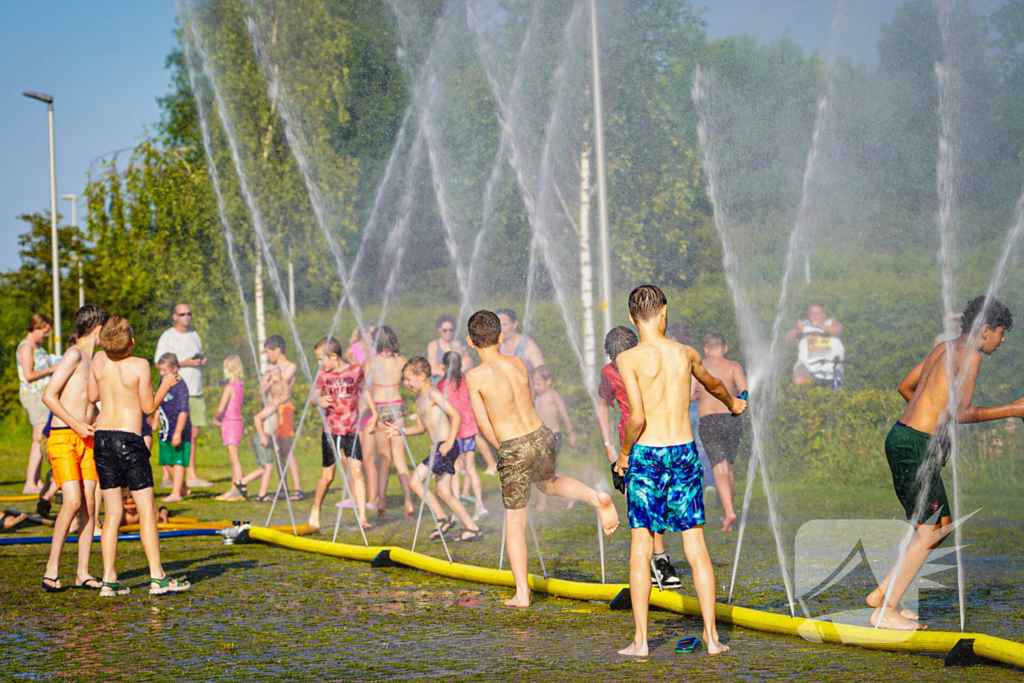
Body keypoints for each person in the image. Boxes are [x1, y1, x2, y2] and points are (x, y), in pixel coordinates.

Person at [866, 296, 1022, 630]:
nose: (1003, 339)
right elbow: (962, 412)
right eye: (1001, 332)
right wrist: (1012, 409)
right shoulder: (971, 356)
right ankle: (885, 611)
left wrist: (931, 425)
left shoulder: (945, 347)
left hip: (903, 436)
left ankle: (882, 596)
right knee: (933, 530)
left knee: (933, 527)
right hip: (915, 445)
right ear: (985, 330)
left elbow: (905, 386)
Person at [614, 285, 745, 656]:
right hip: (684, 453)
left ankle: (641, 642)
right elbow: (713, 384)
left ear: (631, 318)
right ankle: (713, 638)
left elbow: (637, 417)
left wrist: (624, 455)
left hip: (648, 454)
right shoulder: (685, 353)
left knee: (641, 547)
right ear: (664, 312)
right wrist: (732, 402)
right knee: (696, 548)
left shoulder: (629, 359)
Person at [465, 310, 619, 608]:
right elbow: (529, 400)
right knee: (549, 483)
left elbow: (483, 423)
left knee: (515, 522)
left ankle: (522, 593)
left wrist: (503, 449)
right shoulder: (519, 362)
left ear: (470, 341)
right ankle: (594, 495)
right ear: (500, 337)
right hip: (541, 433)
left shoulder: (475, 376)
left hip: (513, 444)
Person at [89, 316, 190, 596]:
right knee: (147, 509)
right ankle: (157, 577)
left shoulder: (98, 359)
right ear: (131, 341)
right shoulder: (140, 365)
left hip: (103, 439)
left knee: (111, 513)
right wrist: (166, 385)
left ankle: (109, 580)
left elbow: (91, 395)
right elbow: (148, 407)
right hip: (129, 440)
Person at [598, 326, 683, 590]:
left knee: (662, 503)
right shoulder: (609, 373)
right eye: (614, 358)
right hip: (631, 446)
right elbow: (602, 403)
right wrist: (609, 446)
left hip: (660, 441)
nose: (619, 363)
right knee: (645, 505)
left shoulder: (649, 363)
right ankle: (659, 561)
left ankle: (656, 560)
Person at [40, 305, 108, 591]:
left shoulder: (98, 359)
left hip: (89, 439)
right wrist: (76, 425)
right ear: (97, 327)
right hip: (64, 436)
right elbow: (49, 396)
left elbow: (97, 401)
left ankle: (83, 571)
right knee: (73, 501)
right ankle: (51, 567)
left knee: (91, 506)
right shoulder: (74, 354)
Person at [384, 357, 483, 542]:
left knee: (415, 481)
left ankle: (442, 518)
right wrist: (401, 430)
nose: (406, 383)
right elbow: (421, 427)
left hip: (445, 446)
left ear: (422, 376)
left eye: (408, 379)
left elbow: (456, 415)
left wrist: (449, 442)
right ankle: (472, 528)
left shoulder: (432, 393)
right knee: (444, 492)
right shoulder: (419, 397)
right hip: (439, 447)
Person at [309, 337, 377, 531]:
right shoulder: (323, 375)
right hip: (331, 431)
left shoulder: (356, 371)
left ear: (333, 356)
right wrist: (319, 400)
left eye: (320, 359)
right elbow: (314, 397)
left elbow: (365, 390)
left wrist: (375, 412)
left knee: (357, 472)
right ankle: (316, 508)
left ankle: (362, 517)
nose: (319, 363)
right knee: (328, 477)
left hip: (352, 430)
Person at [691, 332, 747, 532]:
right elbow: (744, 392)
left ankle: (729, 511)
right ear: (725, 348)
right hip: (731, 420)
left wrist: (702, 394)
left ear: (704, 350)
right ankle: (726, 513)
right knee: (729, 466)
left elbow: (690, 395)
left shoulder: (699, 366)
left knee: (719, 468)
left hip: (709, 420)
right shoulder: (734, 366)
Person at [154, 302, 211, 488]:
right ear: (175, 316)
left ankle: (191, 476)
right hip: (175, 392)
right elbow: (158, 363)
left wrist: (201, 361)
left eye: (189, 313)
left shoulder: (194, 334)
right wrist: (184, 363)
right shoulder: (168, 336)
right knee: (169, 432)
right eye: (183, 314)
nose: (187, 317)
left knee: (192, 434)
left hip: (196, 389)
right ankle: (167, 477)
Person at [364, 326, 415, 519]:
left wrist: (372, 412)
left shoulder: (372, 361)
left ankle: (381, 503)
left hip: (379, 407)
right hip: (397, 407)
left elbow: (366, 389)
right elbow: (409, 384)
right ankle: (408, 502)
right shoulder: (401, 360)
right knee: (400, 460)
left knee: (384, 460)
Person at [438, 351, 488, 522]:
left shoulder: (443, 385)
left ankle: (457, 508)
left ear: (444, 367)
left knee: (456, 470)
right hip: (470, 429)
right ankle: (480, 505)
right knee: (471, 468)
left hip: (455, 431)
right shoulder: (467, 382)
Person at [17, 313, 58, 493]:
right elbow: (28, 374)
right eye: (45, 331)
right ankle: (30, 483)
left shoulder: (38, 346)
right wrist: (52, 369)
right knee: (40, 439)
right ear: (36, 327)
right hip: (33, 395)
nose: (46, 335)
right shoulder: (26, 347)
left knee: (39, 439)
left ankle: (36, 481)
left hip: (42, 396)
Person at [531, 364, 576, 512]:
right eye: (534, 384)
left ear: (548, 381)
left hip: (554, 437)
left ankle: (568, 493)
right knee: (544, 471)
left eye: (538, 384)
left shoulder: (553, 395)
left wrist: (571, 432)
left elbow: (564, 414)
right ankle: (570, 492)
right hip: (541, 438)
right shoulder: (537, 398)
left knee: (544, 471)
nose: (536, 387)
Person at [261, 336, 302, 498]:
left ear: (278, 350)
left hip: (284, 410)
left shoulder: (291, 366)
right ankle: (283, 487)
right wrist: (266, 379)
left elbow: (281, 386)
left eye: (269, 352)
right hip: (271, 410)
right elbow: (262, 391)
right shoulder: (269, 368)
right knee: (277, 449)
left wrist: (273, 377)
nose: (268, 356)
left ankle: (298, 489)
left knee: (287, 448)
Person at [156, 354, 191, 504]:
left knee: (177, 461)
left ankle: (176, 492)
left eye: (165, 370)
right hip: (165, 429)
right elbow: (159, 399)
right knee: (166, 461)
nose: (162, 373)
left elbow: (183, 411)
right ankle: (182, 486)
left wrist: (178, 432)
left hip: (179, 429)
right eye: (160, 370)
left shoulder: (180, 386)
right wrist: (155, 417)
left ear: (175, 369)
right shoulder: (163, 382)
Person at [250, 382, 292, 503]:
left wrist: (274, 442)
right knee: (268, 467)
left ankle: (243, 483)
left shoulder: (275, 407)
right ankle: (261, 495)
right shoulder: (272, 407)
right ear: (279, 395)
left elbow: (271, 427)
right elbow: (257, 418)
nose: (289, 396)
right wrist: (263, 436)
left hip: (268, 437)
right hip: (262, 437)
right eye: (287, 394)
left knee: (267, 467)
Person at [785, 302, 844, 387]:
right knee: (799, 380)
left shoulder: (830, 323)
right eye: (812, 314)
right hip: (807, 366)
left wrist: (820, 326)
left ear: (823, 315)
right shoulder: (804, 328)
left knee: (831, 392)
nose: (815, 317)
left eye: (817, 314)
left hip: (829, 368)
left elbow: (839, 330)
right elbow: (788, 338)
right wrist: (796, 329)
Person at [213, 356, 247, 501]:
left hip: (231, 423)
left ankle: (238, 489)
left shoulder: (230, 387)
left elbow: (221, 407)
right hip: (235, 422)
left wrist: (216, 418)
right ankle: (234, 488)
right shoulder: (240, 385)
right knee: (233, 457)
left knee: (234, 458)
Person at [496, 308, 545, 374]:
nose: (501, 328)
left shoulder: (528, 345)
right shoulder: (496, 346)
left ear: (515, 324)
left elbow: (542, 373)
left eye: (504, 324)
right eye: (497, 325)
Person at [427, 315, 472, 384]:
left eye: (451, 330)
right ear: (439, 329)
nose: (448, 333)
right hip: (439, 380)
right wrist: (448, 374)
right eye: (445, 330)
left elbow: (468, 362)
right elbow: (432, 369)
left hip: (459, 378)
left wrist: (442, 367)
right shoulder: (433, 345)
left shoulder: (460, 343)